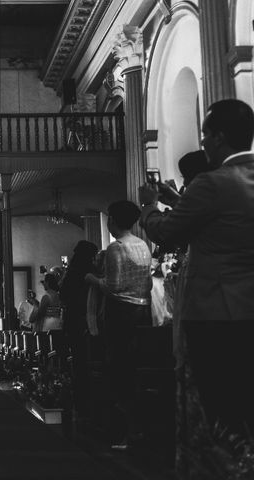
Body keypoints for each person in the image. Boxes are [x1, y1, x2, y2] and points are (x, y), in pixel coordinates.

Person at [139, 99, 254, 475]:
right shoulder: (233, 181)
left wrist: (152, 206)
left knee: (217, 408)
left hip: (217, 312)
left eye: (206, 135)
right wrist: (181, 200)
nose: (203, 142)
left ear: (219, 138)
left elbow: (166, 233)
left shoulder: (212, 183)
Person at [86, 200, 152, 450]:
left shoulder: (117, 247)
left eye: (109, 218)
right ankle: (139, 430)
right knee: (136, 368)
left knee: (119, 369)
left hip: (121, 313)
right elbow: (147, 284)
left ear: (112, 220)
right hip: (142, 311)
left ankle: (125, 432)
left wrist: (92, 278)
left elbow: (113, 287)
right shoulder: (143, 245)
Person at [60, 240, 99, 420]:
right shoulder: (88, 272)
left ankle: (80, 400)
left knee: (79, 361)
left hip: (74, 320)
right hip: (85, 319)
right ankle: (88, 401)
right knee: (85, 360)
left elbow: (64, 295)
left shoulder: (72, 273)